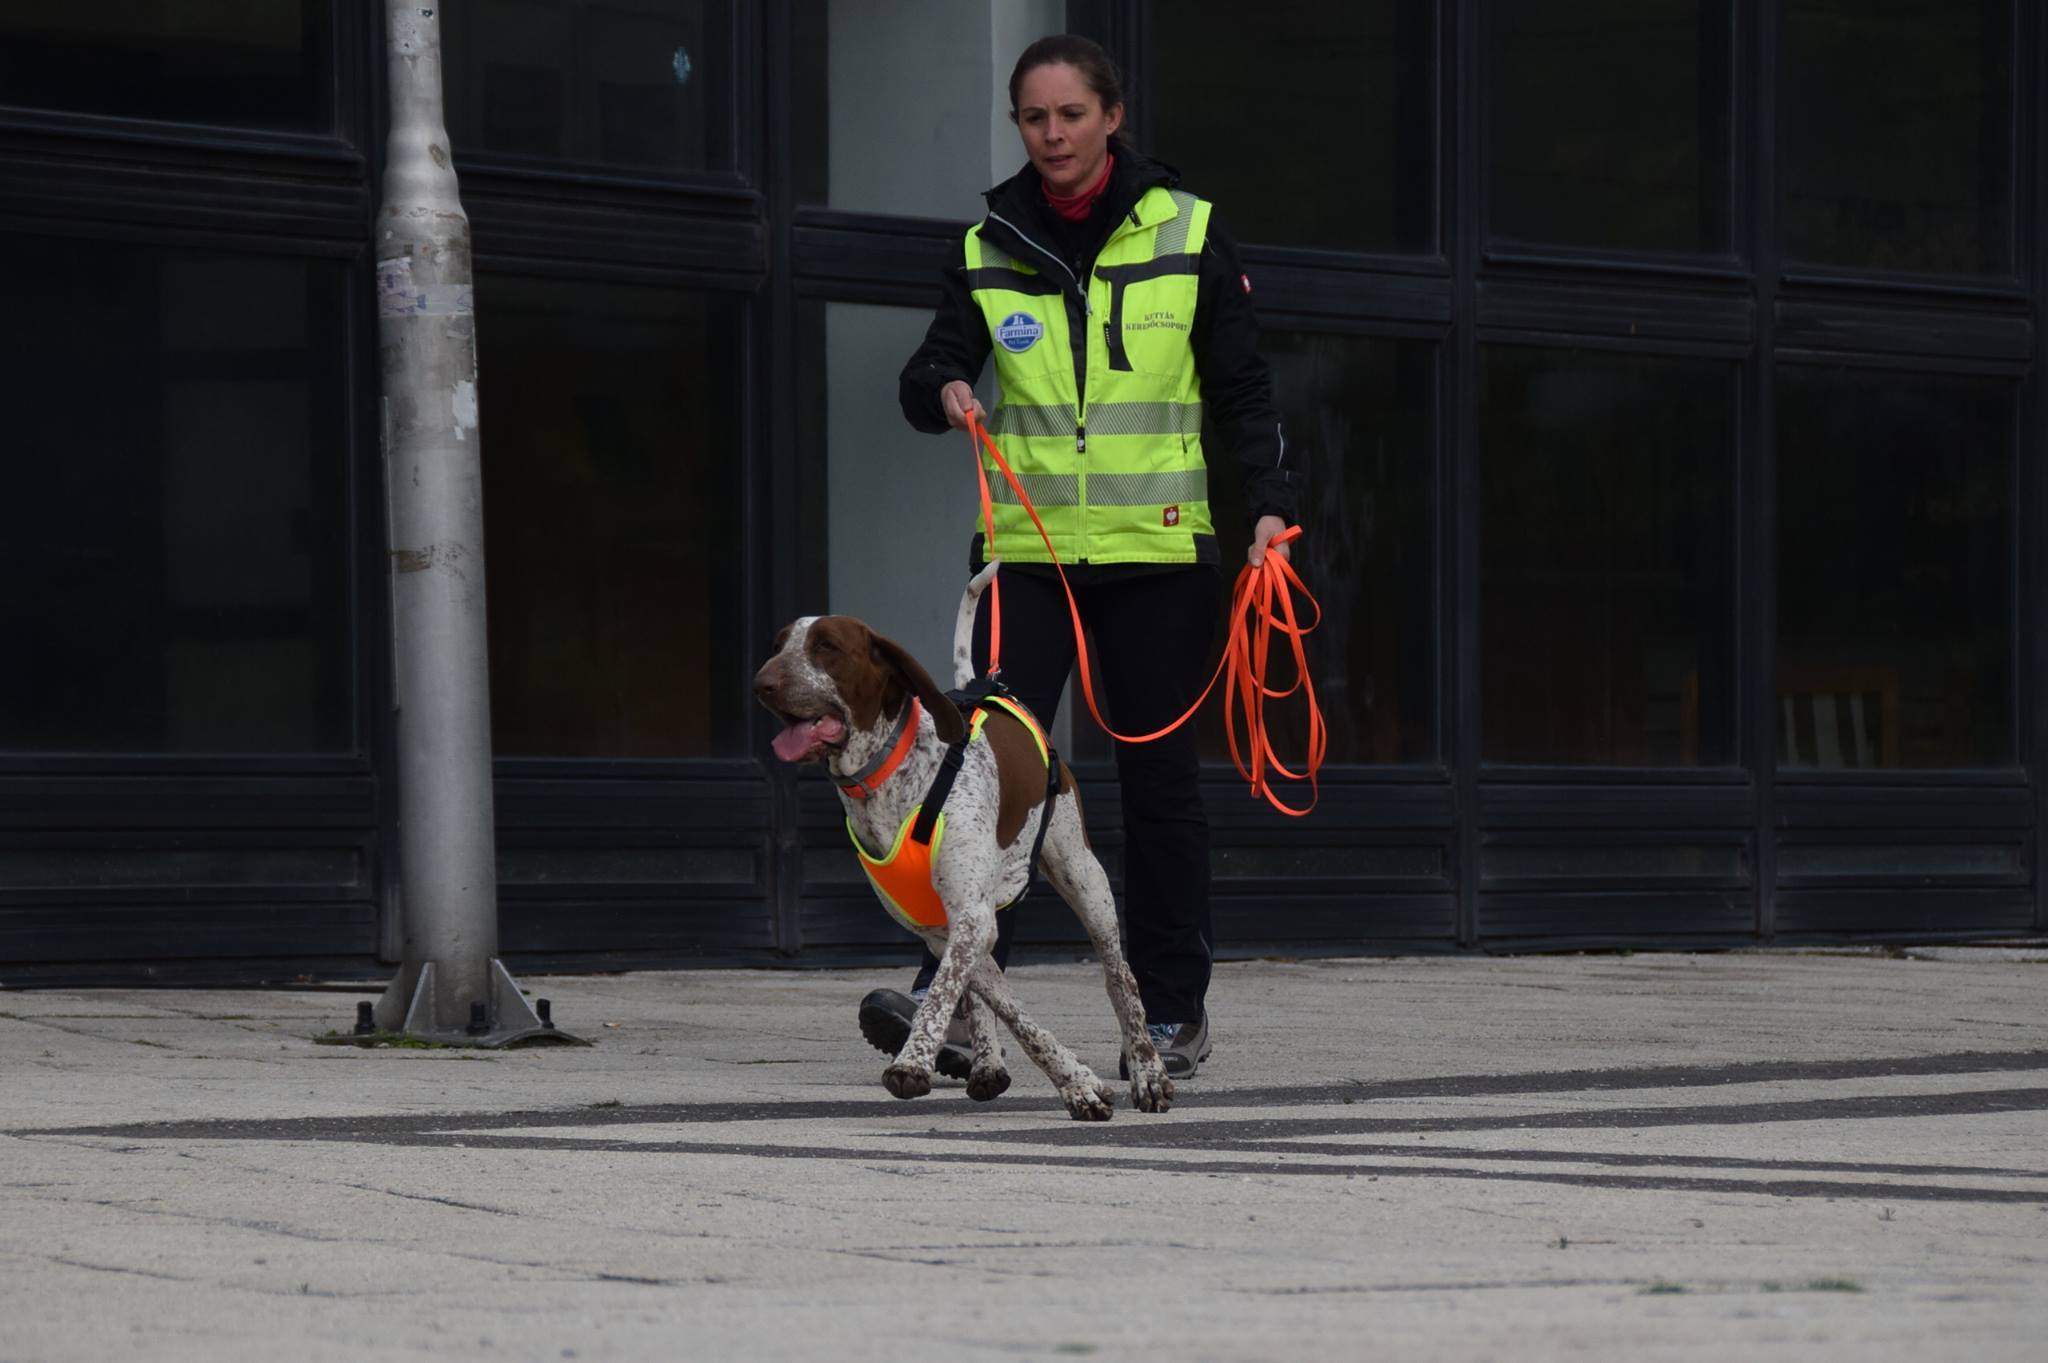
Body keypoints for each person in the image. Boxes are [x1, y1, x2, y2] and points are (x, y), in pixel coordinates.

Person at [857, 33, 1295, 1081]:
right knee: (969, 774)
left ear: (1110, 118)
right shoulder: (986, 243)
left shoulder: (1186, 234)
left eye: (1068, 115)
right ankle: (946, 1000)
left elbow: (1243, 390)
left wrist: (1271, 507)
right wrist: (945, 391)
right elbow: (928, 369)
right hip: (1026, 558)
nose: (1049, 135)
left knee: (1156, 786)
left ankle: (1173, 1010)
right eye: (1031, 118)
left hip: (1156, 556)